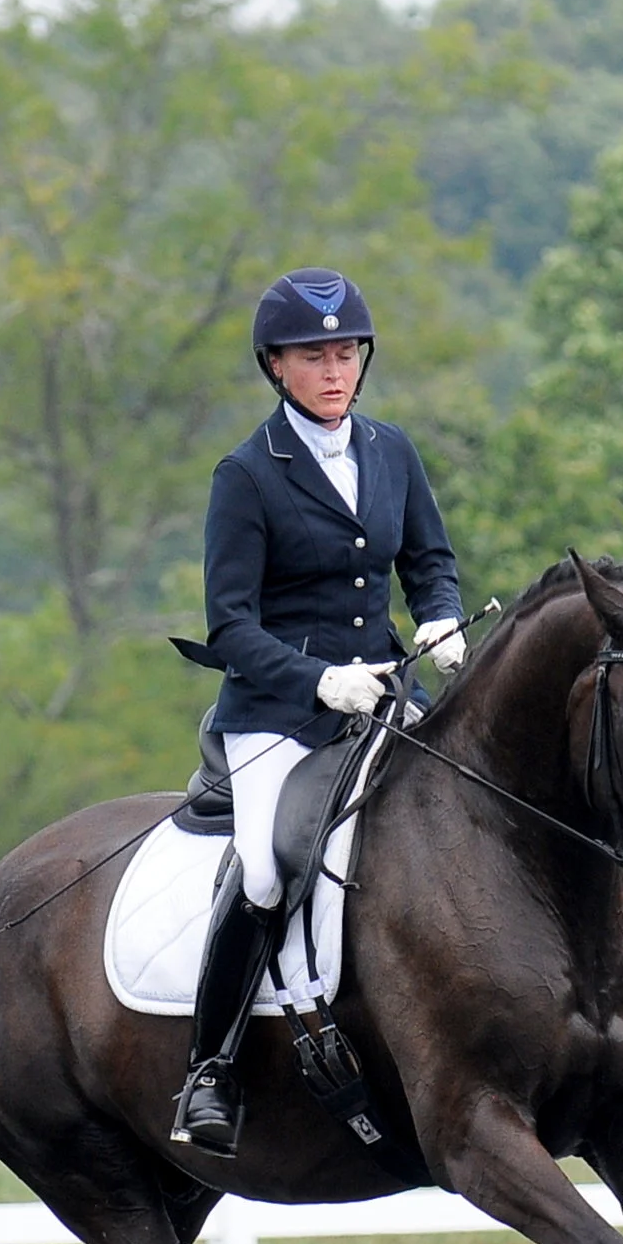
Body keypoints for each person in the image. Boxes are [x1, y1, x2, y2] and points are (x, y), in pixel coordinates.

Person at [168, 267, 465, 1156]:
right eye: (313, 357)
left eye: (346, 353)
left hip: (383, 696)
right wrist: (314, 680)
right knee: (264, 871)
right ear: (276, 367)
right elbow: (231, 625)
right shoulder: (248, 476)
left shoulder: (392, 451)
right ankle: (207, 1073)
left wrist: (441, 617)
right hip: (277, 715)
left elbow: (430, 561)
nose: (334, 371)